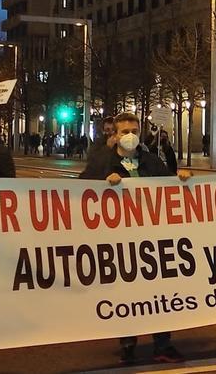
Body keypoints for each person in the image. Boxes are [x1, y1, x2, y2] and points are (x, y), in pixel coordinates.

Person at [80, 112, 190, 365]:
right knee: (126, 293)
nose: (129, 136)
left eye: (134, 131)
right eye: (124, 132)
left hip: (152, 238)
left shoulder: (151, 161)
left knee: (158, 293)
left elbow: (169, 185)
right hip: (120, 240)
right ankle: (128, 343)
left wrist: (181, 179)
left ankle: (163, 344)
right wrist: (102, 183)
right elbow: (81, 189)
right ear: (115, 135)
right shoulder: (103, 163)